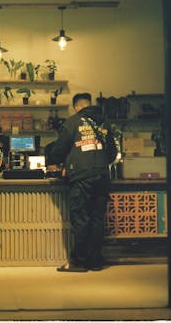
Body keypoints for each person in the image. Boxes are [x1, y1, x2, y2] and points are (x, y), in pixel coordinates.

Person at [45, 92, 117, 272]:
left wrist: (58, 161)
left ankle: (78, 262)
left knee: (81, 219)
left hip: (81, 176)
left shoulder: (73, 122)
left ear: (77, 106)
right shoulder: (103, 123)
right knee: (97, 220)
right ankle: (95, 262)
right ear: (89, 104)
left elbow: (59, 150)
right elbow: (113, 153)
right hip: (102, 176)